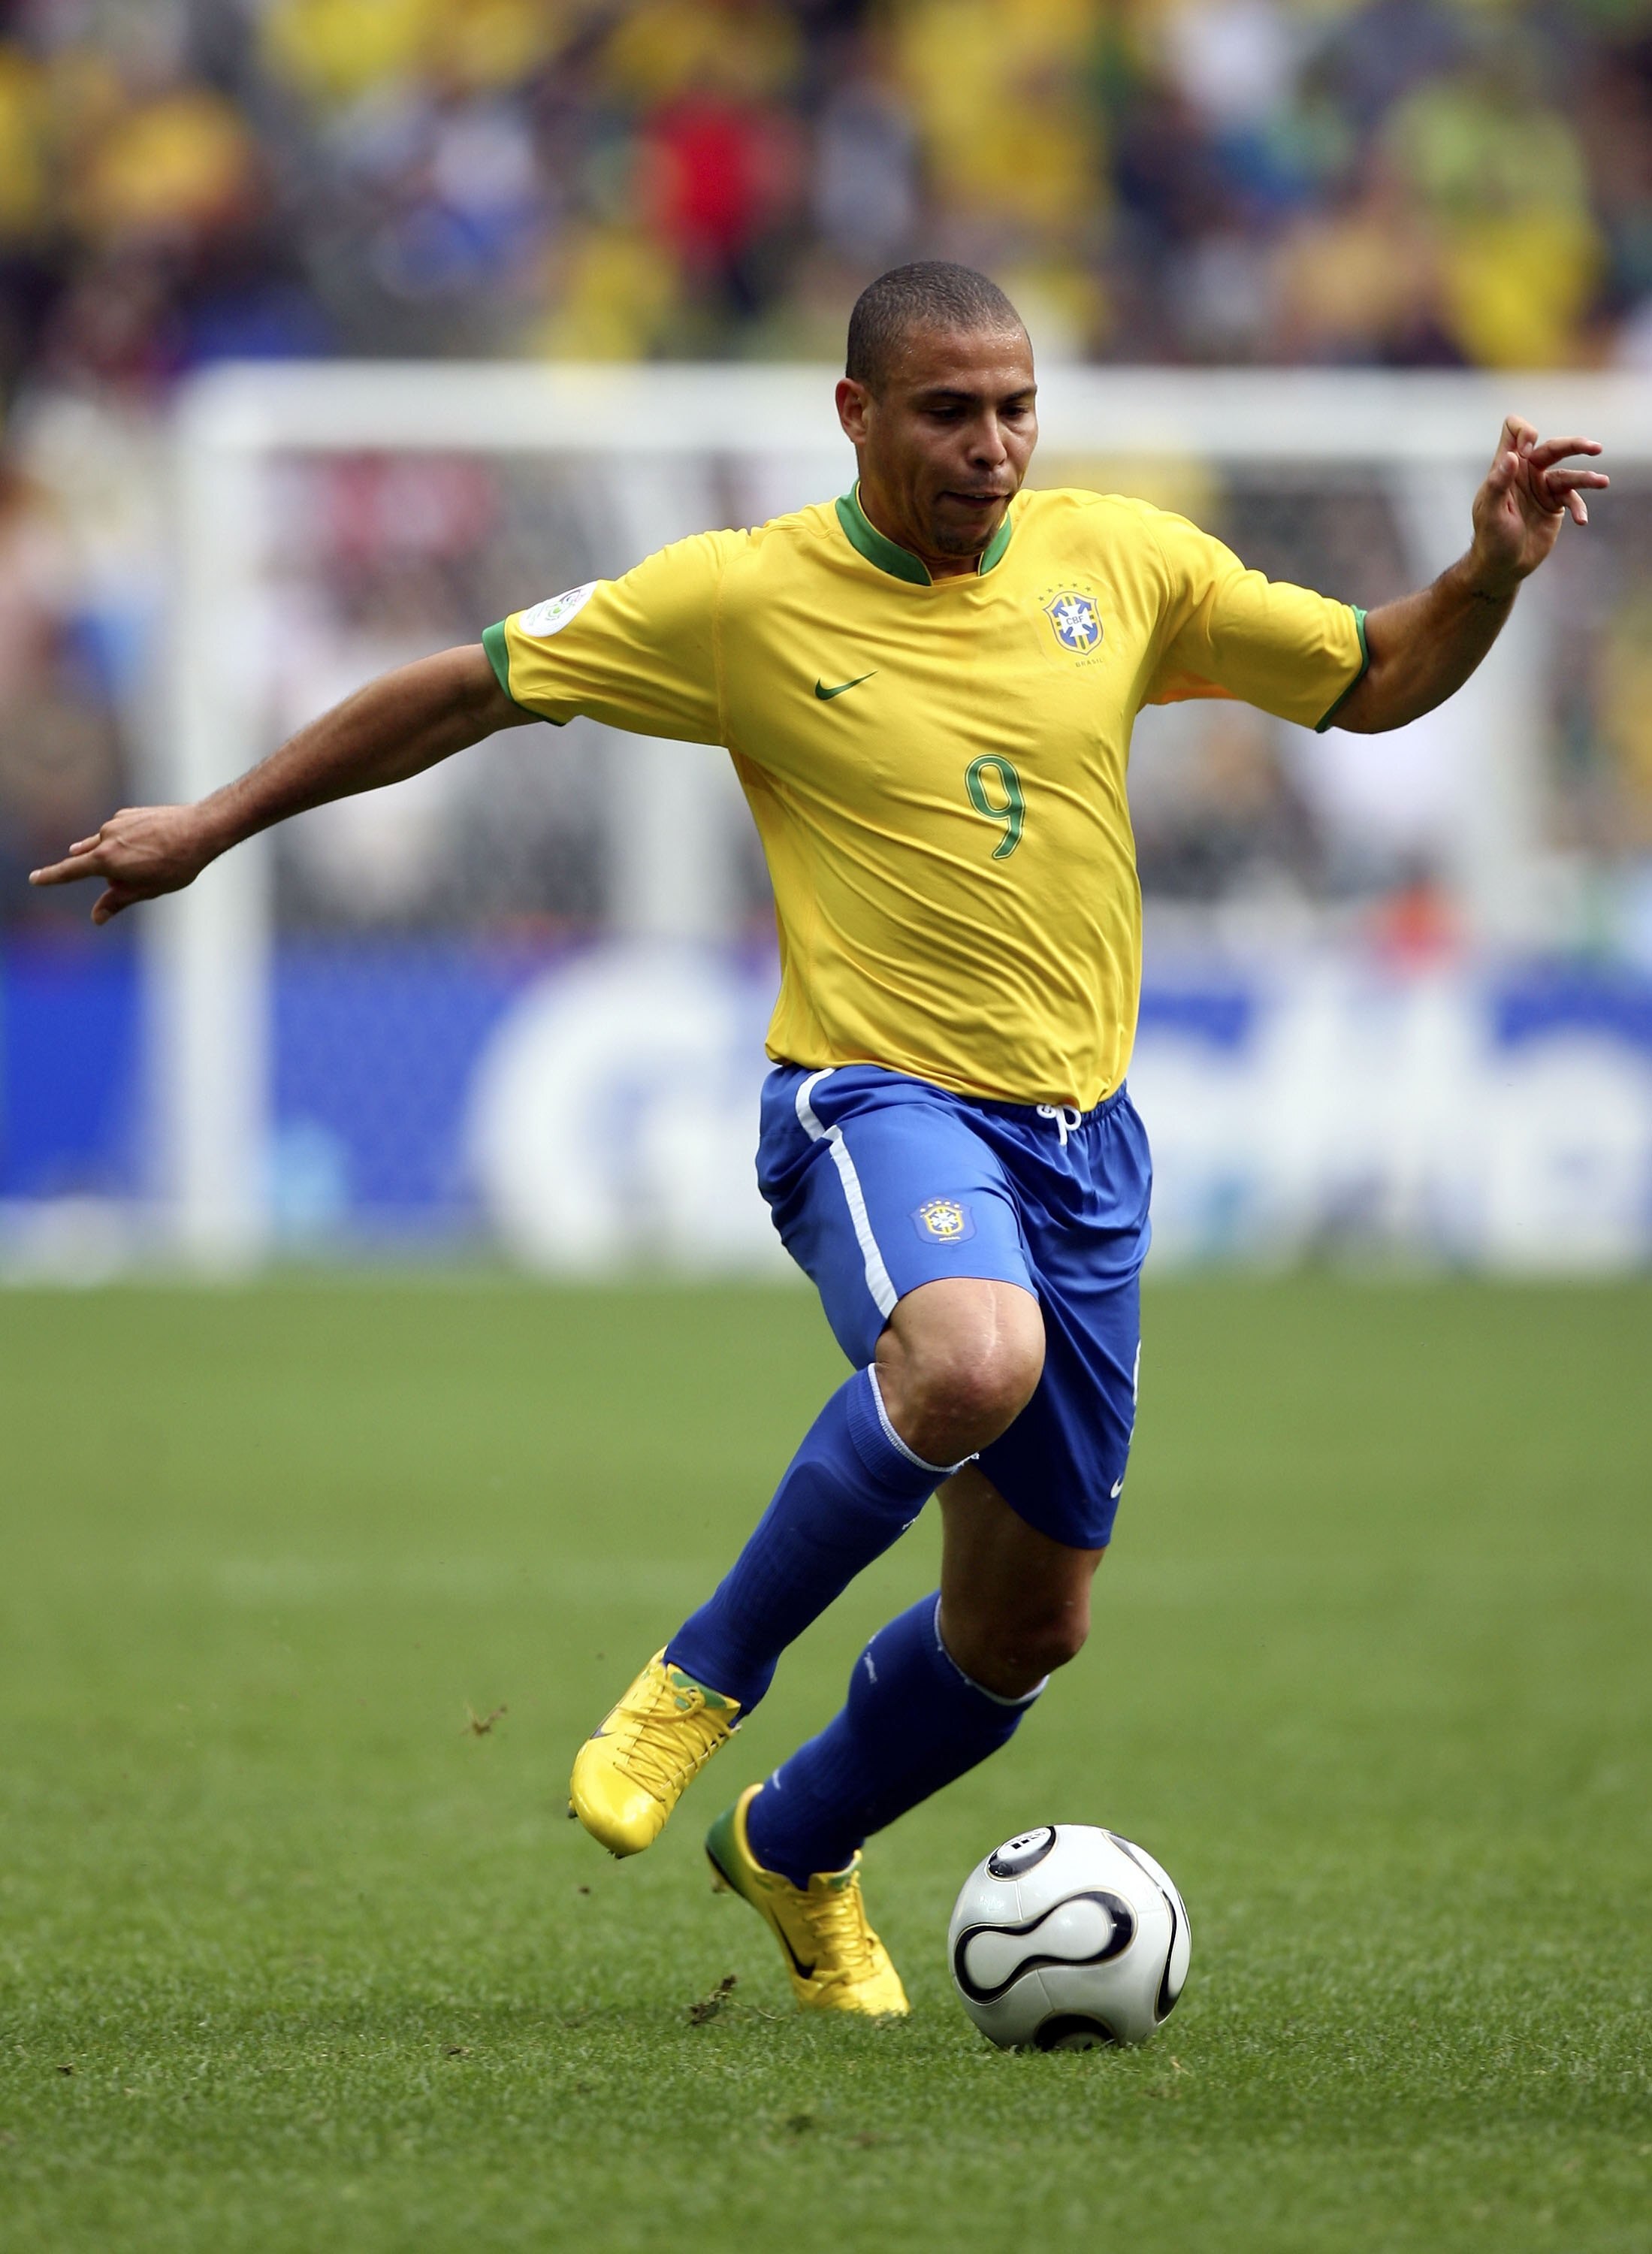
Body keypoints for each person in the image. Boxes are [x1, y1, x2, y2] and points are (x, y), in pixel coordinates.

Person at [31, 263, 1607, 2017]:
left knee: (1025, 1632)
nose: (991, 447)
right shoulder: (739, 598)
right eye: (948, 412)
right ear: (855, 416)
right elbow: (467, 688)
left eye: (1013, 408)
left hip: (1083, 1148)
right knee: (968, 1356)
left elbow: (1377, 678)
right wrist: (211, 821)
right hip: (867, 1098)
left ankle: (795, 1842)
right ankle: (694, 1684)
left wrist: (1482, 572)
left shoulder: (1126, 565)